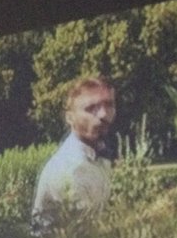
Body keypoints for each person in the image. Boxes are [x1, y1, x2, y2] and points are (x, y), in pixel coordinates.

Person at [32, 76, 117, 229]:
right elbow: (90, 233)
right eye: (91, 108)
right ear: (70, 118)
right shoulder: (71, 167)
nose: (104, 114)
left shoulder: (97, 154)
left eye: (109, 105)